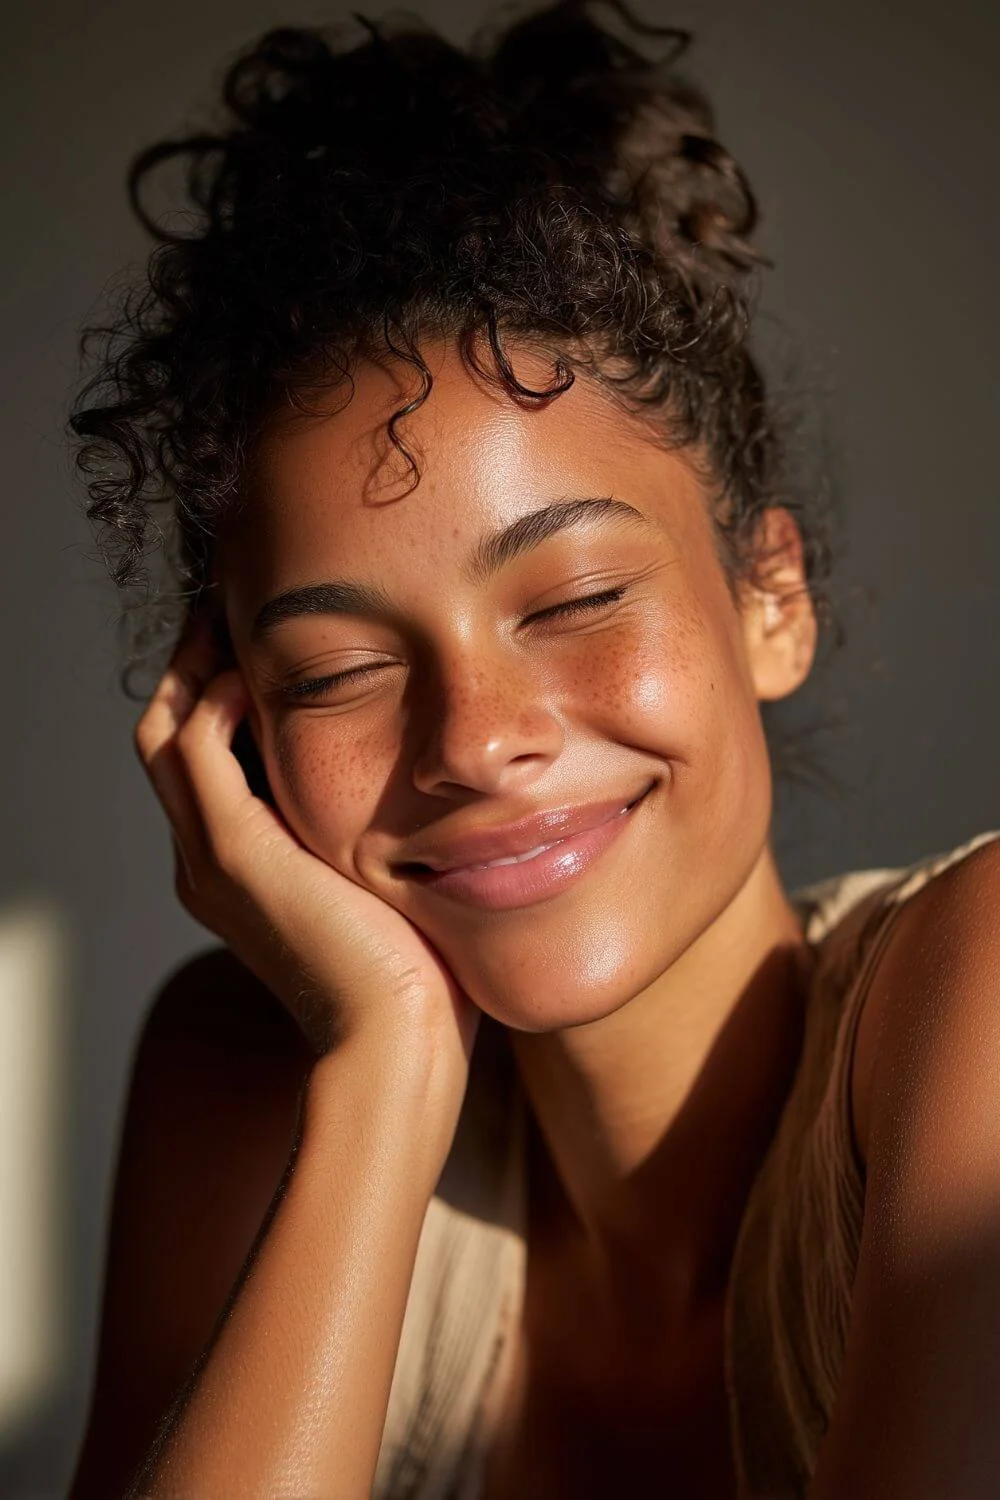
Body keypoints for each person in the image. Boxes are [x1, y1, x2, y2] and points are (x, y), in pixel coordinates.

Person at [65, 3, 1000, 1497]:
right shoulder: (241, 1080)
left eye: (572, 601)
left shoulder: (983, 986)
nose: (476, 739)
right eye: (339, 672)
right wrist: (383, 1068)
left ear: (771, 599)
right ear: (235, 730)